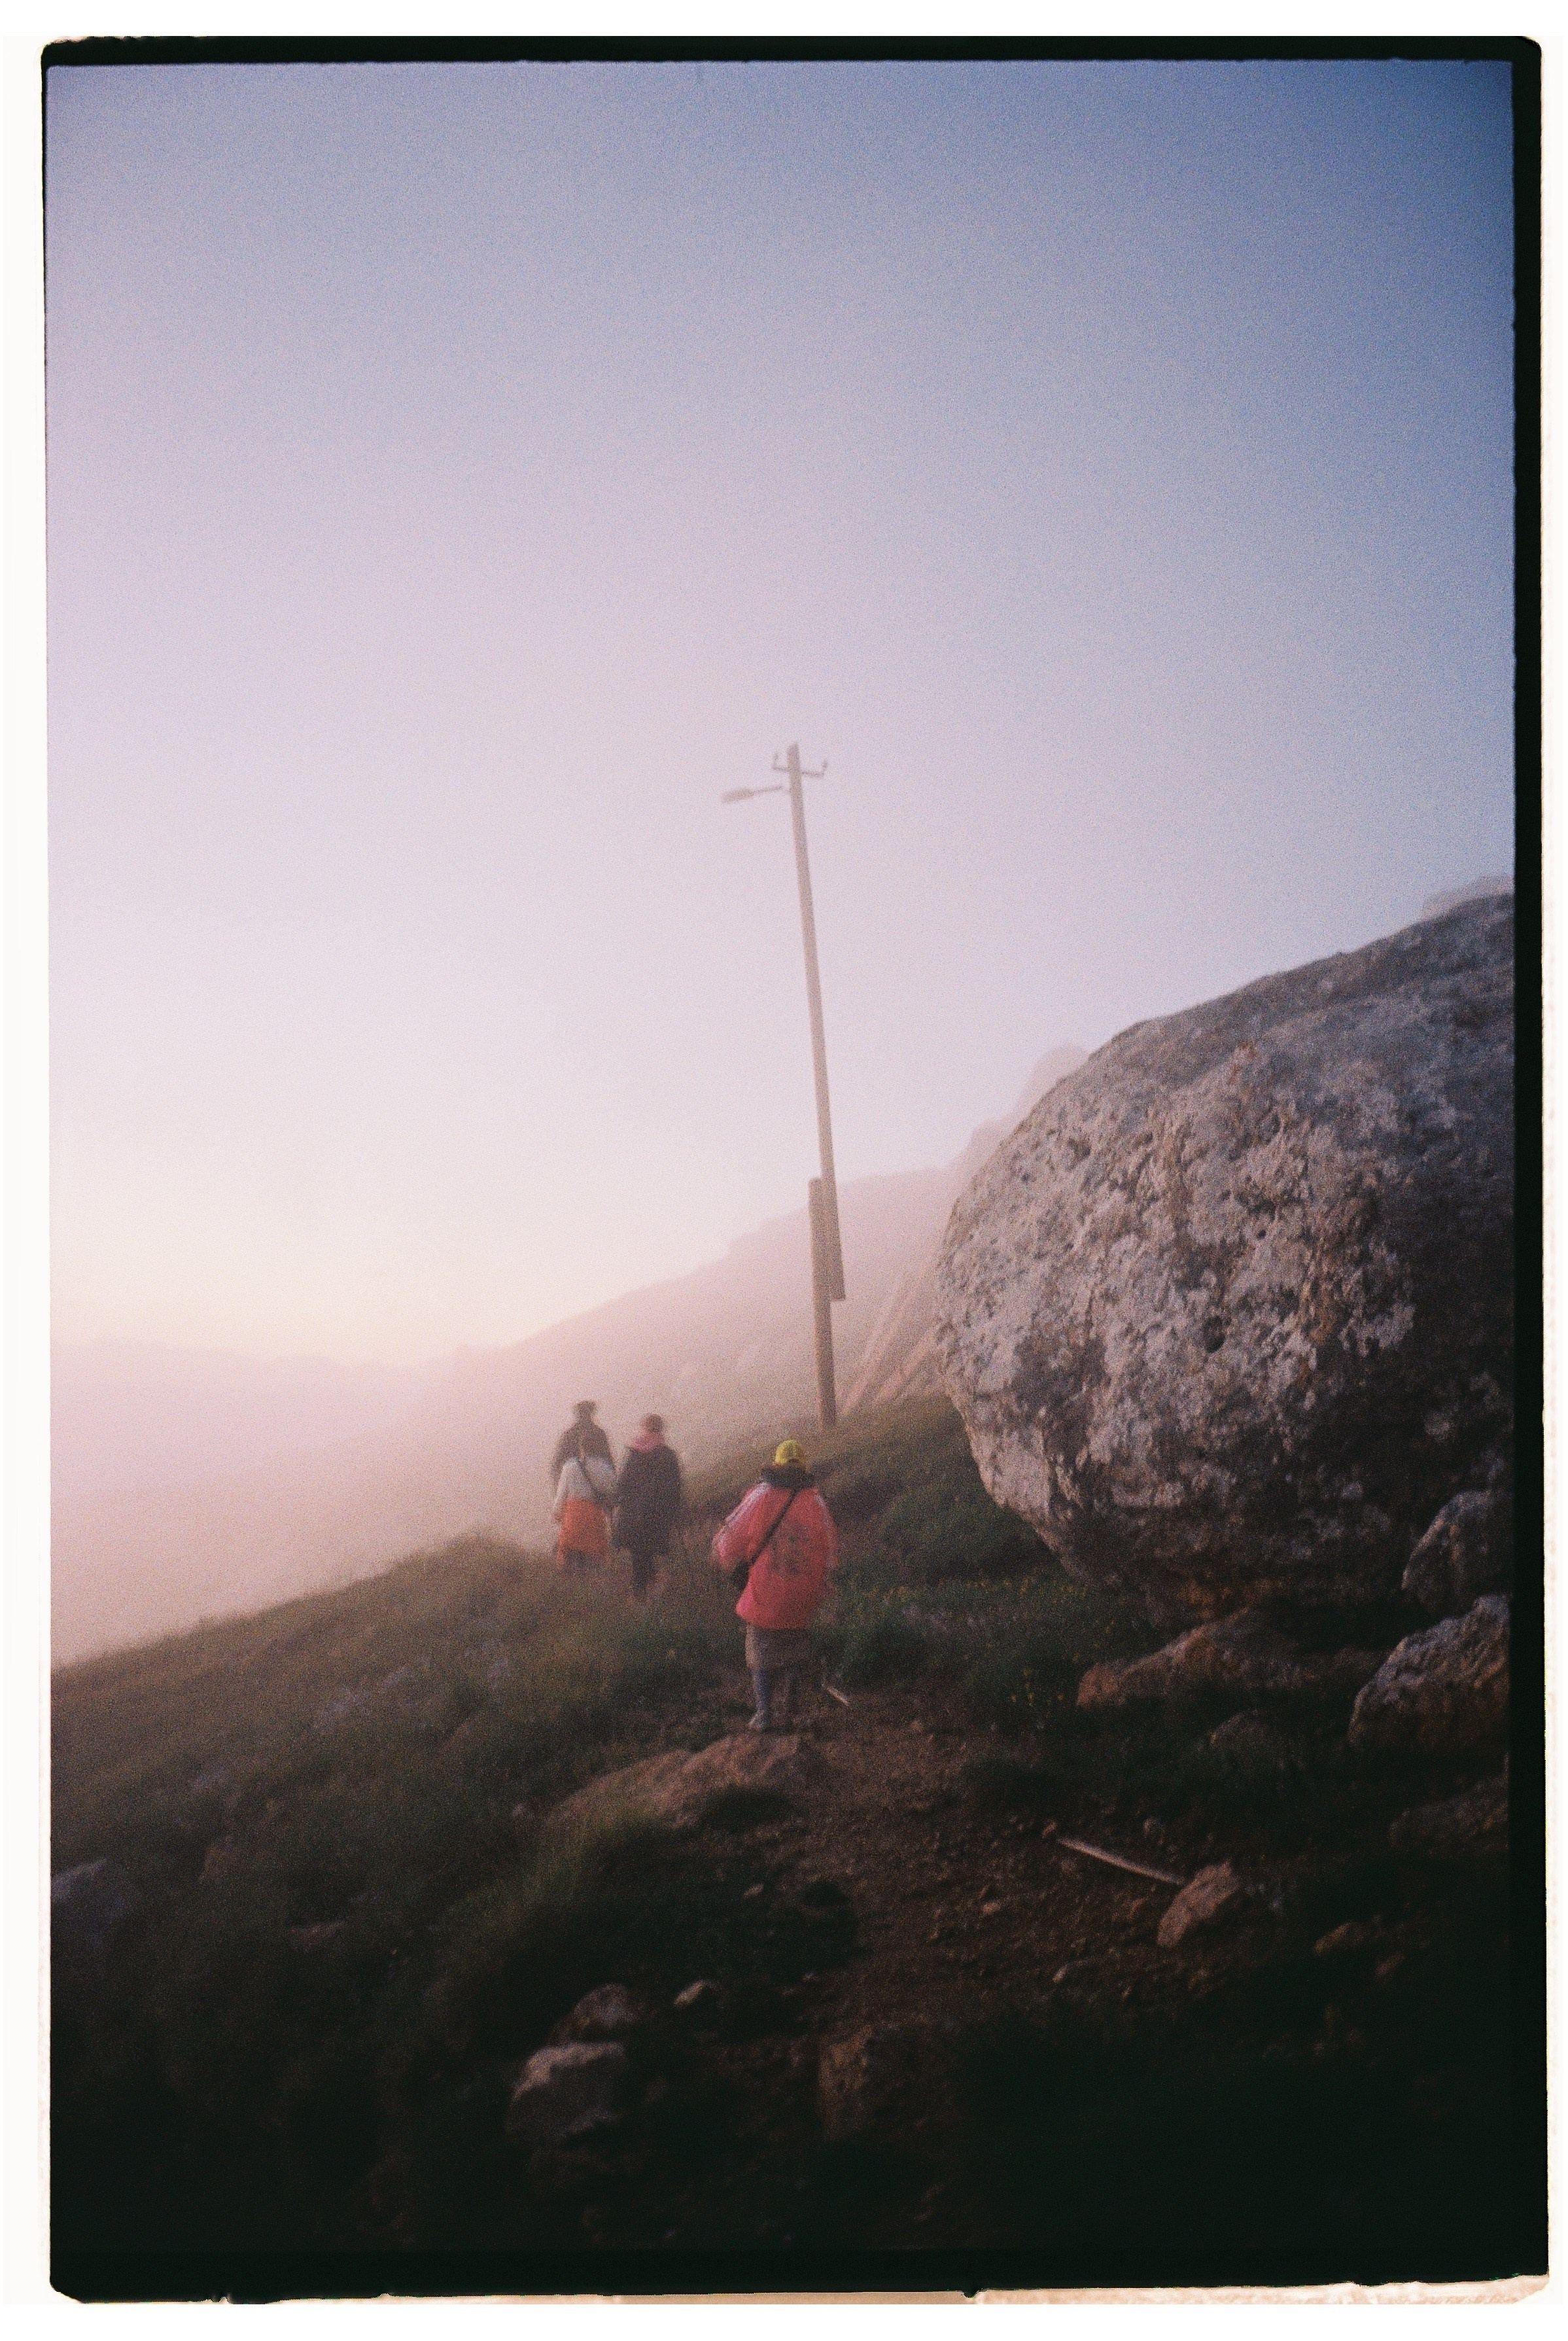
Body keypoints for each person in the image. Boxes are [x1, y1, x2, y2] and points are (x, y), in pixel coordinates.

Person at [711, 1438, 838, 1732]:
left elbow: (729, 1538)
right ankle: (791, 1707)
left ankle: (764, 1713)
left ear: (776, 1464)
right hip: (804, 1591)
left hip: (766, 1592)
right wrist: (823, 1584)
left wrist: (722, 1555)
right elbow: (831, 1550)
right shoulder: (816, 1501)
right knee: (795, 1648)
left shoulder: (762, 1494)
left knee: (760, 1653)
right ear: (803, 1467)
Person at [614, 1415, 684, 1604]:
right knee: (648, 1552)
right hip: (657, 1516)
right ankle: (650, 1593)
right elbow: (675, 1489)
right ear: (661, 1429)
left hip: (633, 1516)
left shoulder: (633, 1453)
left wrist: (624, 1506)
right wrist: (673, 1513)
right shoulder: (667, 1455)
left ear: (643, 1428)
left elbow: (621, 1486)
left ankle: (641, 1595)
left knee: (639, 1554)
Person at [553, 1429, 618, 1575]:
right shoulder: (605, 1468)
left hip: (573, 1517)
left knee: (569, 1559)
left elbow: (561, 1495)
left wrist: (557, 1513)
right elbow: (613, 1492)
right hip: (595, 1517)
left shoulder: (570, 1467)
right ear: (598, 1448)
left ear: (581, 1448)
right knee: (593, 1559)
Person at [551, 1400, 614, 1483]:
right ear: (591, 1413)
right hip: (598, 1484)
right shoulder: (599, 1434)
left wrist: (560, 1485)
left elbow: (557, 1465)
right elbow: (609, 1461)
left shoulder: (569, 1435)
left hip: (572, 1483)